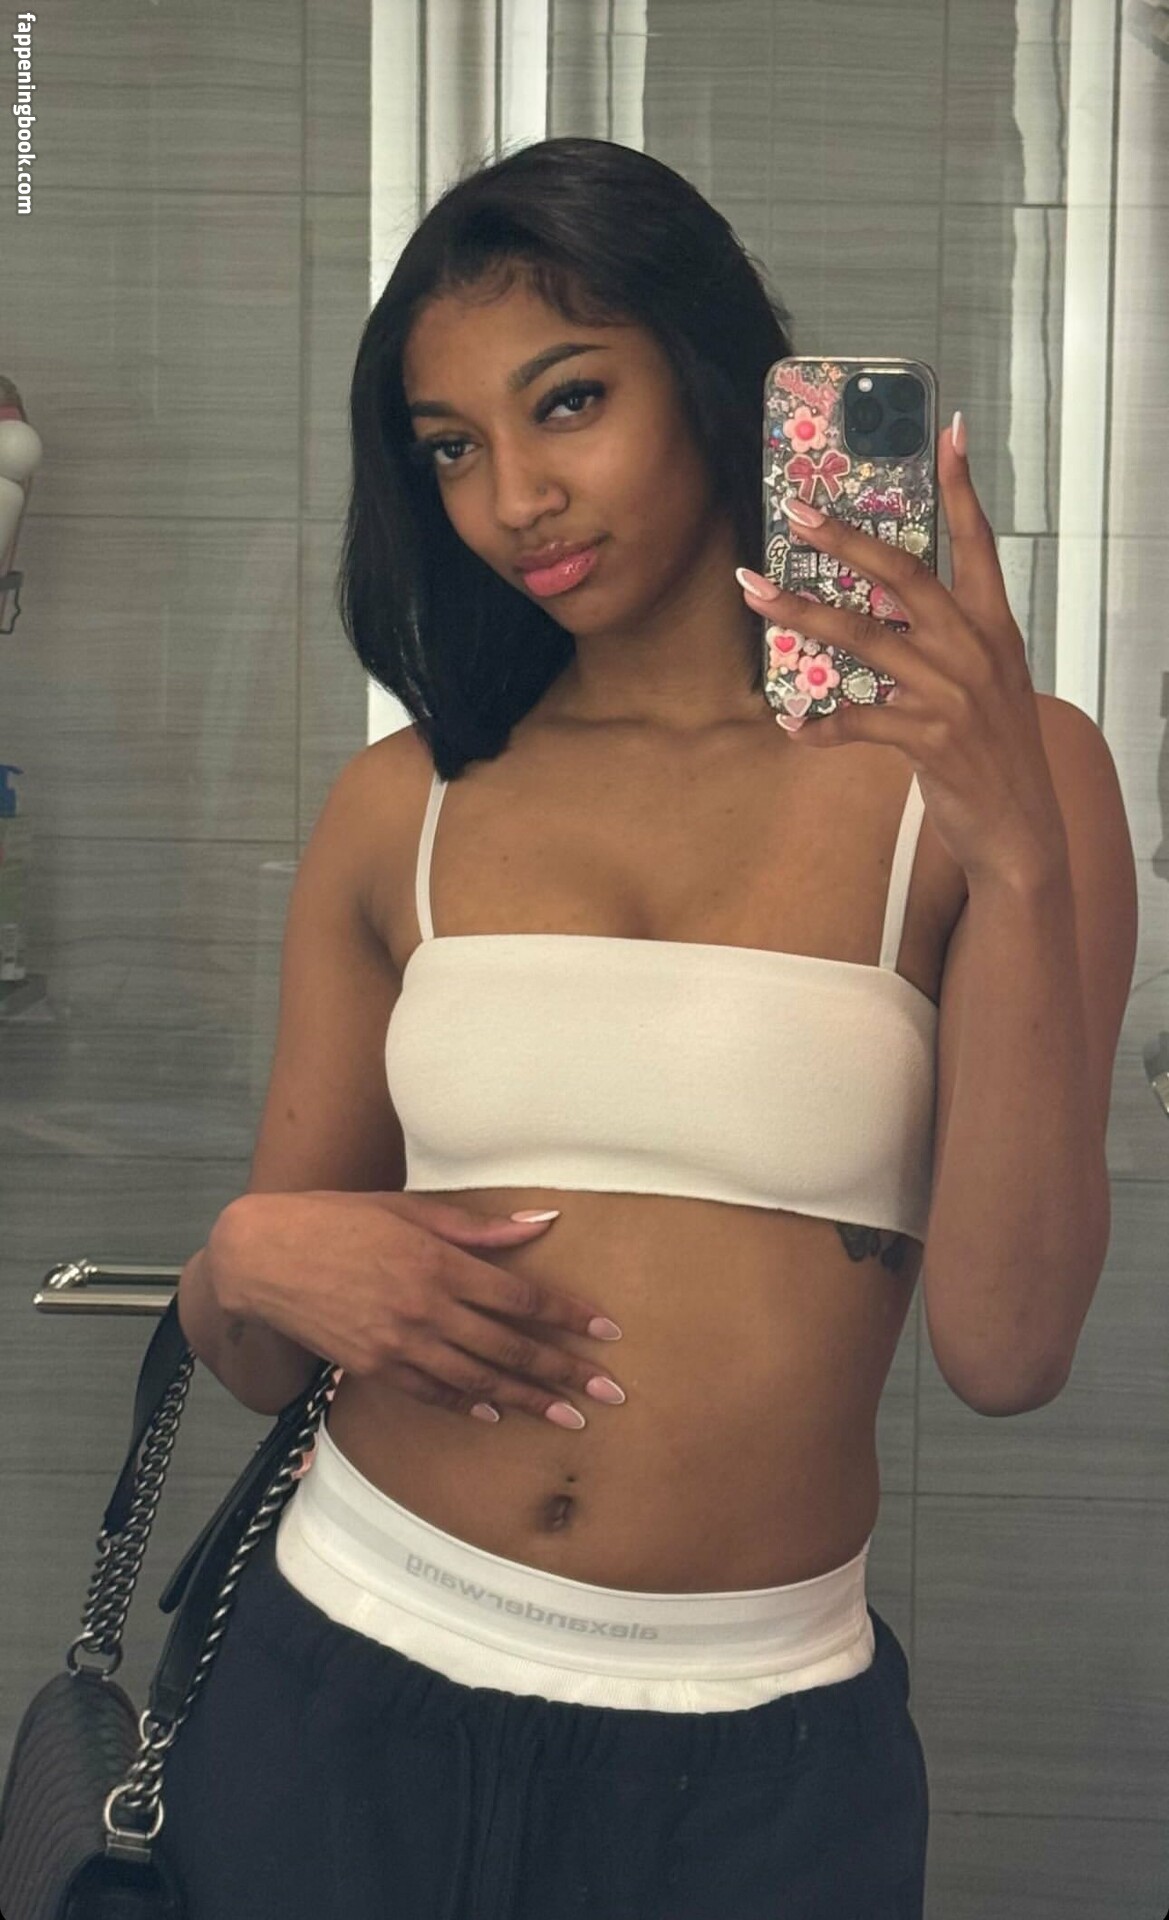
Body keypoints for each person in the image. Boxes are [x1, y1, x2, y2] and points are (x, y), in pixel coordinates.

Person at [163, 134, 942, 1918]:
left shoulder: (960, 785)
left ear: (715, 381)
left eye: (568, 401)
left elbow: (1010, 1345)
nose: (514, 497)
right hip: (342, 1669)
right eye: (449, 447)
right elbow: (260, 1350)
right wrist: (244, 1256)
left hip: (753, 1753)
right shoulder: (403, 806)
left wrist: (1025, 844)